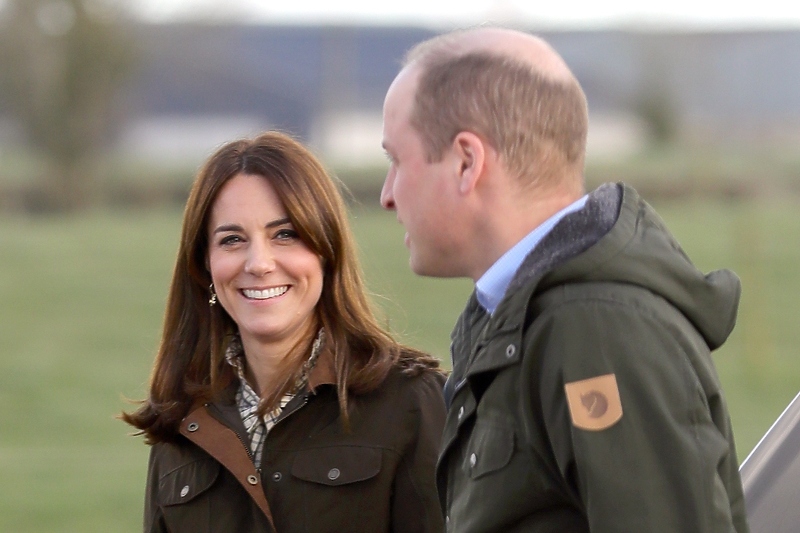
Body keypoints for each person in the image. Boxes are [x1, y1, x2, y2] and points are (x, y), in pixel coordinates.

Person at [380, 26, 749, 532]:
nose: (387, 195)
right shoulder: (531, 319)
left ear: (467, 162)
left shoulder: (598, 332)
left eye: (396, 160)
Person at [122, 131, 447, 533]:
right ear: (204, 266)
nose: (259, 263)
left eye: (286, 235)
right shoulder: (182, 423)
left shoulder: (411, 402)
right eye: (232, 240)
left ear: (327, 251)